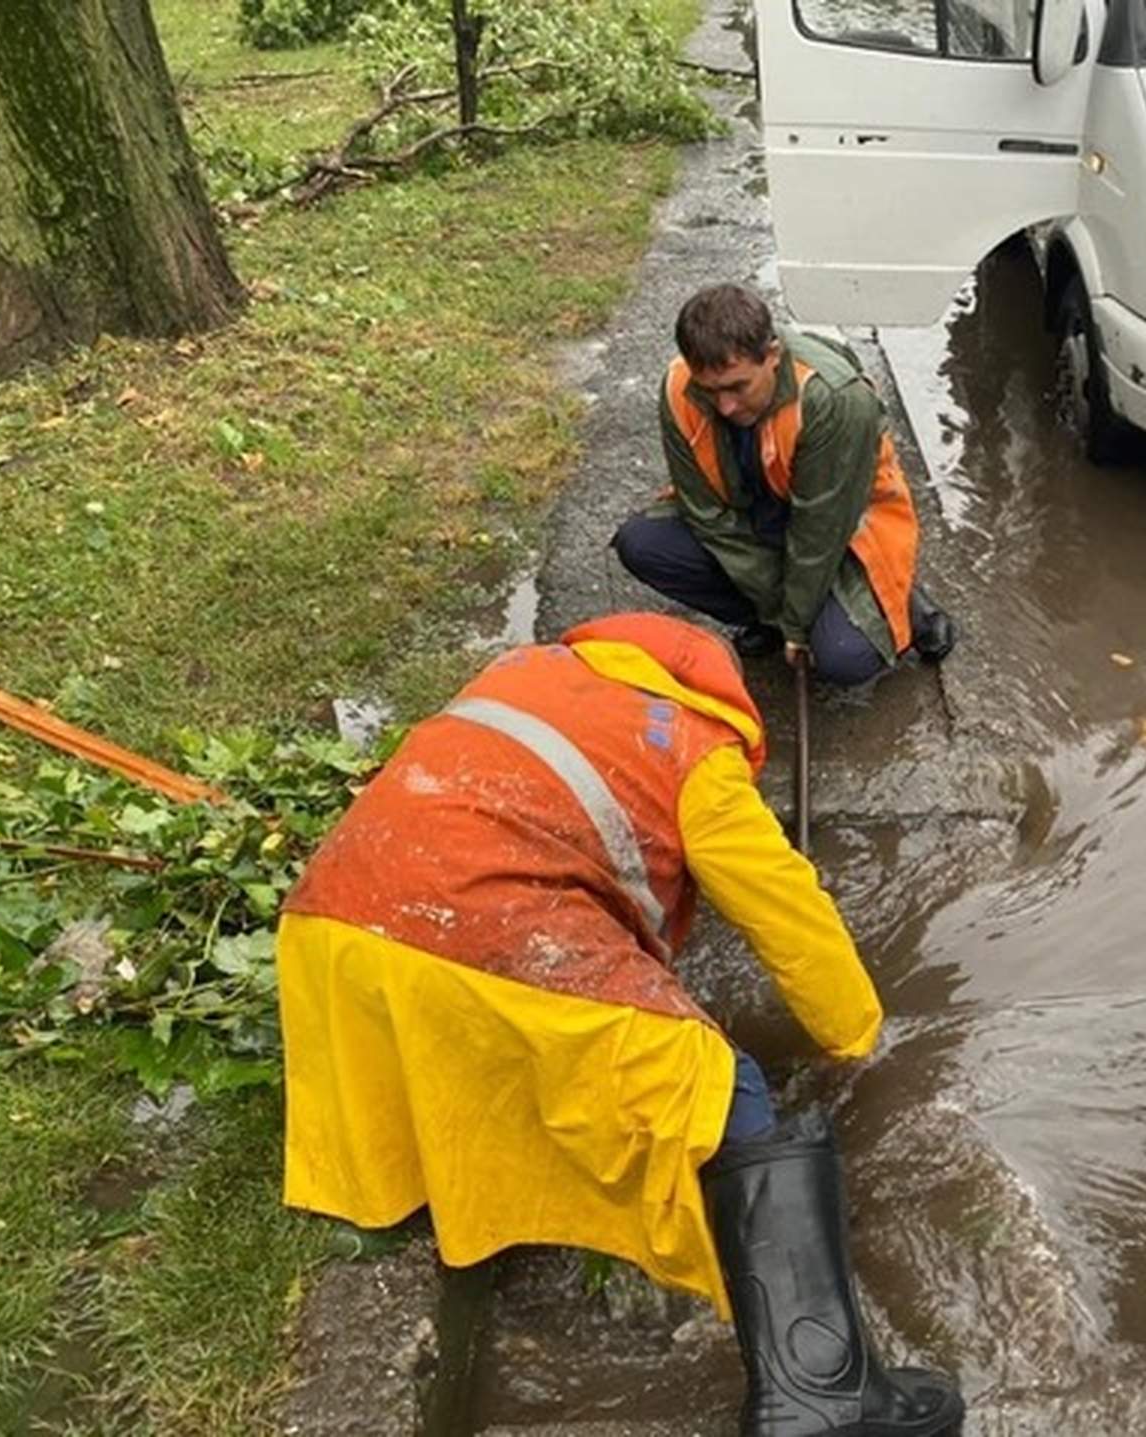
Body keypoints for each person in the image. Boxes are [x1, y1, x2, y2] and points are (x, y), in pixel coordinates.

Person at [277, 612, 963, 1437]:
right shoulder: (693, 743)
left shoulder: (525, 674)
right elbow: (786, 910)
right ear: (723, 697)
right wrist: (855, 1036)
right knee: (721, 1086)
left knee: (518, 1031)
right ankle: (822, 1390)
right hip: (476, 935)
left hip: (327, 937)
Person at [613, 283, 957, 688]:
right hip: (753, 524)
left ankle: (901, 601)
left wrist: (797, 627)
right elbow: (705, 515)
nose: (724, 407)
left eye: (738, 387)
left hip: (841, 532)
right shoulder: (678, 388)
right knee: (641, 544)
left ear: (772, 356)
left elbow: (820, 532)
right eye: (710, 391)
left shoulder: (835, 400)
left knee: (844, 659)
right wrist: (783, 617)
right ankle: (772, 617)